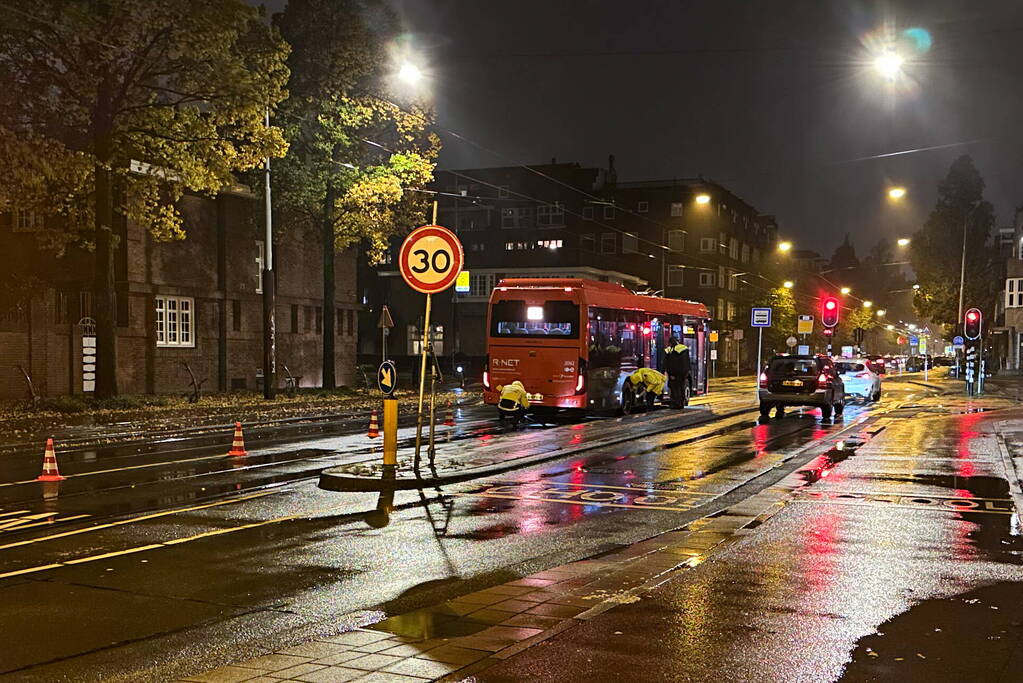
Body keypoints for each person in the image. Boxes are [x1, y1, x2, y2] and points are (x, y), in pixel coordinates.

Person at [664, 336, 692, 408]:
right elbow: (686, 362)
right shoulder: (684, 348)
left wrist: (672, 374)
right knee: (681, 387)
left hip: (675, 373)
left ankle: (676, 404)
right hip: (684, 372)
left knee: (674, 388)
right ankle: (681, 403)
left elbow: (672, 364)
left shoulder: (672, 351)